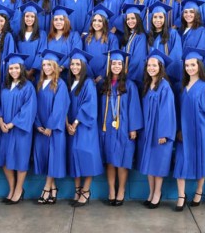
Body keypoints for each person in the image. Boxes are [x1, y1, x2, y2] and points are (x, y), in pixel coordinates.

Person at [173, 48, 205, 211]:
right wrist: (178, 129)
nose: (190, 68)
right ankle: (181, 195)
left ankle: (199, 192)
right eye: (187, 65)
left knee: (201, 160)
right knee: (180, 161)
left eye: (193, 65)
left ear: (199, 65)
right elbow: (177, 111)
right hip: (183, 131)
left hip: (201, 130)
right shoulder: (181, 86)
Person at [99, 50, 143, 206]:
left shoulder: (130, 85)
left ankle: (121, 190)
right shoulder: (104, 84)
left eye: (119, 63)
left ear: (124, 66)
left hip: (124, 128)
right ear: (109, 65)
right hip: (107, 129)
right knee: (110, 160)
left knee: (122, 160)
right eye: (114, 63)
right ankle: (111, 190)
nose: (116, 66)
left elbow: (134, 108)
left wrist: (133, 129)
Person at [0, 53, 37, 204]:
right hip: (4, 128)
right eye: (11, 68)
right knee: (4, 159)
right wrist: (0, 121)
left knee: (20, 159)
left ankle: (19, 189)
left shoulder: (28, 87)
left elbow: (28, 109)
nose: (13, 71)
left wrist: (12, 124)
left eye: (16, 68)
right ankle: (12, 187)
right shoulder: (4, 86)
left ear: (21, 69)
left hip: (19, 129)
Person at [138, 50, 176, 209]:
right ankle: (151, 191)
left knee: (158, 164)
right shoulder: (147, 84)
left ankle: (157, 193)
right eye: (149, 65)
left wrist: (164, 134)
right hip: (148, 130)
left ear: (161, 67)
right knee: (149, 163)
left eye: (155, 65)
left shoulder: (165, 86)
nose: (151, 68)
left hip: (160, 132)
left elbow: (167, 111)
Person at [66, 49, 103, 207]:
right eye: (72, 64)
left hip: (84, 126)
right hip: (70, 126)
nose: (74, 66)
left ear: (83, 66)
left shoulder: (88, 82)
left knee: (85, 156)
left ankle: (86, 191)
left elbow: (89, 105)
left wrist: (74, 123)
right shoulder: (68, 82)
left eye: (77, 64)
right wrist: (67, 123)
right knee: (74, 158)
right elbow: (63, 103)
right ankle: (77, 189)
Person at [34, 50, 70, 204]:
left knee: (53, 159)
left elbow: (60, 108)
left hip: (54, 130)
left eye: (49, 64)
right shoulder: (40, 83)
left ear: (55, 66)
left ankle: (47, 188)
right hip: (41, 129)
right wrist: (38, 125)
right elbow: (34, 106)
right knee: (46, 159)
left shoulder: (60, 84)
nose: (46, 67)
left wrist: (50, 126)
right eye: (44, 65)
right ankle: (54, 189)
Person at [82, 5, 119, 88]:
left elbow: (113, 58)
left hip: (105, 78)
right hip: (89, 78)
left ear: (105, 22)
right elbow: (84, 59)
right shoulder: (86, 38)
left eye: (100, 21)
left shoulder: (112, 38)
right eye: (94, 20)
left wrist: (102, 76)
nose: (96, 23)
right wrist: (90, 76)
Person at [16, 2, 47, 82]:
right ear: (23, 17)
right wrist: (23, 71)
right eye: (27, 16)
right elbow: (17, 52)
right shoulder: (19, 35)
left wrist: (31, 71)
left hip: (36, 73)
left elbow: (41, 53)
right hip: (21, 73)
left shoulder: (42, 34)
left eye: (32, 16)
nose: (29, 19)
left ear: (36, 18)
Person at [120, 4, 147, 90]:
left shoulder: (141, 36)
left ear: (138, 19)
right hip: (125, 76)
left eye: (133, 18)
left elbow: (138, 60)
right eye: (128, 19)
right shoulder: (128, 36)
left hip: (133, 78)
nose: (130, 21)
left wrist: (127, 76)